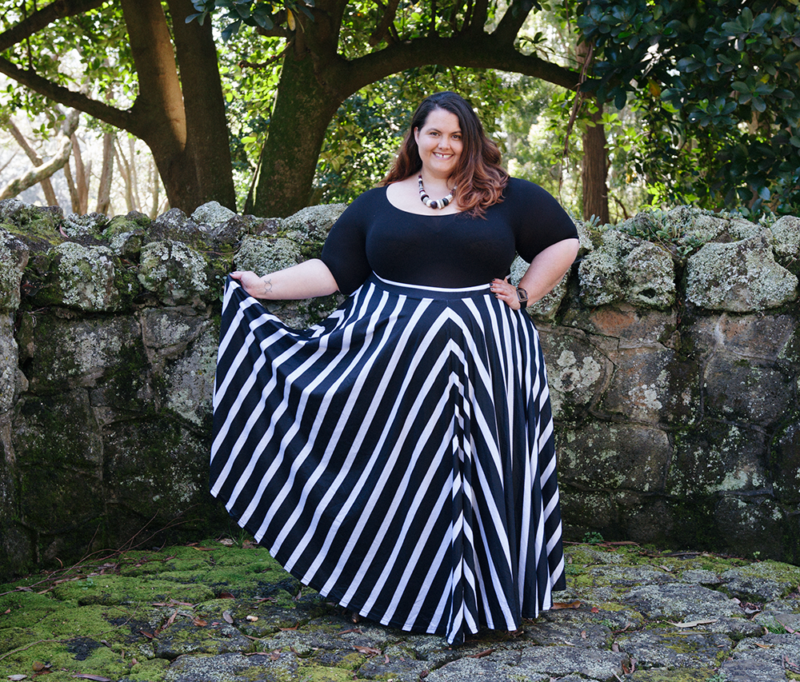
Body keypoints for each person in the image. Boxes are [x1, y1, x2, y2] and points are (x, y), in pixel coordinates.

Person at [210, 91, 580, 645]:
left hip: (491, 363)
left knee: (488, 473)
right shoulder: (377, 203)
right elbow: (333, 270)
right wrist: (263, 287)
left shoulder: (506, 196)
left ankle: (493, 596)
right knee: (397, 477)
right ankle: (389, 589)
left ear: (471, 141)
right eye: (435, 133)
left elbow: (563, 241)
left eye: (457, 136)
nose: (445, 145)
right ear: (415, 137)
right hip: (393, 375)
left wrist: (525, 292)